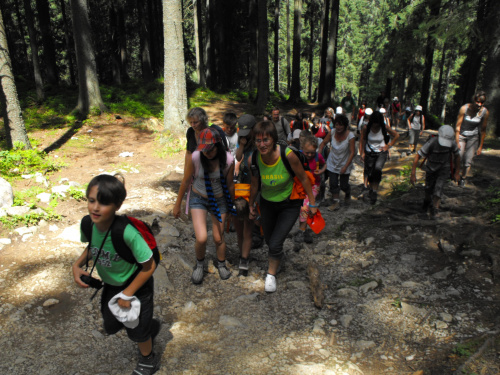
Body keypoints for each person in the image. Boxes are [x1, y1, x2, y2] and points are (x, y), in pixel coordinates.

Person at [72, 174, 161, 375]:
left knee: (137, 329)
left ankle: (148, 360)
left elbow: (149, 266)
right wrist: (76, 265)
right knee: (111, 324)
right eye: (91, 200)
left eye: (103, 203)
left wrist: (128, 294)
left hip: (137, 285)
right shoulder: (88, 224)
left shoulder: (127, 233)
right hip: (111, 285)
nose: (95, 208)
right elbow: (92, 247)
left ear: (117, 206)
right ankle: (148, 326)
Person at [248, 121, 317, 293]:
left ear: (273, 139)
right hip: (267, 203)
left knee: (276, 243)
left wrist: (312, 202)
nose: (262, 144)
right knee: (270, 240)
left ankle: (270, 275)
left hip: (289, 204)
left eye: (266, 140)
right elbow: (255, 184)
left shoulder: (288, 155)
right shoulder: (254, 159)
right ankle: (278, 258)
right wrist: (251, 204)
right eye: (258, 141)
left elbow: (303, 178)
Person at [173, 128, 236, 284]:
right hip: (198, 198)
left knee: (218, 237)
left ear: (218, 146)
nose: (206, 153)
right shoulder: (196, 157)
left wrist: (230, 207)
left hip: (220, 199)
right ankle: (199, 264)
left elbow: (230, 185)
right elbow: (186, 180)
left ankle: (221, 264)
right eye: (204, 149)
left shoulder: (228, 160)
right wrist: (177, 204)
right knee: (201, 238)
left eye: (210, 149)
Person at [410, 125, 460, 217]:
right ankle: (427, 202)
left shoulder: (452, 144)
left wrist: (457, 172)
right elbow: (418, 156)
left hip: (444, 168)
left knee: (438, 187)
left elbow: (457, 156)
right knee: (428, 189)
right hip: (431, 168)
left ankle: (435, 209)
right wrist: (413, 174)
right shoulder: (432, 142)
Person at [234, 114, 258, 275]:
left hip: (254, 187)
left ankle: (244, 259)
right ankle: (241, 251)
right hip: (240, 186)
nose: (244, 136)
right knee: (238, 223)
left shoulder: (259, 142)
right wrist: (242, 145)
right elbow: (237, 157)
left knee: (248, 224)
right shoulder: (241, 140)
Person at [360, 111, 400, 204]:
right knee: (369, 173)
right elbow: (363, 139)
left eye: (377, 124)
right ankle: (370, 187)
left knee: (377, 170)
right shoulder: (366, 128)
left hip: (381, 152)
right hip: (369, 152)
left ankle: (374, 191)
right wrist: (362, 152)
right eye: (374, 123)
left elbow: (397, 135)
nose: (375, 126)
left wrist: (389, 145)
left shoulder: (384, 127)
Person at [319, 114, 356, 211]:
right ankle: (336, 202)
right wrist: (319, 154)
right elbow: (323, 143)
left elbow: (352, 152)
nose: (338, 127)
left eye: (341, 125)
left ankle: (348, 192)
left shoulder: (350, 136)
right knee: (333, 183)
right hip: (332, 162)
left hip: (345, 163)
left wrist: (345, 166)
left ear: (345, 126)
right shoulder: (332, 132)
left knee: (344, 185)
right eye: (337, 125)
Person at [295, 135, 326, 244]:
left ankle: (301, 230)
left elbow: (324, 164)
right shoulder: (298, 155)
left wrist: (321, 171)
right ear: (302, 148)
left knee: (305, 206)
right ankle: (305, 228)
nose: (309, 155)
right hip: (300, 185)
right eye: (307, 152)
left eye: (312, 152)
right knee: (301, 207)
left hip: (314, 185)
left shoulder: (318, 157)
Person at [454, 91, 490, 186]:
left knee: (468, 159)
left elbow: (483, 130)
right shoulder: (464, 108)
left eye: (482, 103)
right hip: (461, 135)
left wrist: (480, 146)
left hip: (473, 137)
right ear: (474, 100)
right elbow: (457, 126)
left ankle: (463, 177)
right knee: (459, 156)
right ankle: (456, 173)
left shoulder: (485, 112)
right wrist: (457, 141)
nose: (479, 104)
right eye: (477, 102)